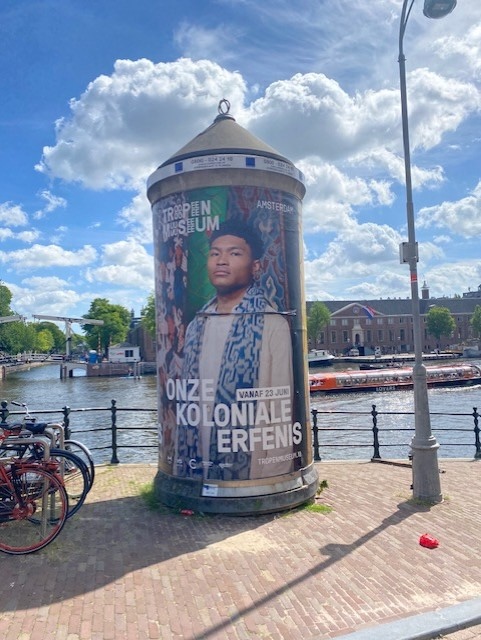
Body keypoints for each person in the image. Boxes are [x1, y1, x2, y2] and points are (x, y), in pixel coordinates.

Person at [175, 218, 298, 481]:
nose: (221, 261)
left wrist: (272, 476)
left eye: (234, 254)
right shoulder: (197, 325)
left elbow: (280, 409)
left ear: (255, 266)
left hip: (251, 468)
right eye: (215, 254)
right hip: (198, 465)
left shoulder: (272, 324)